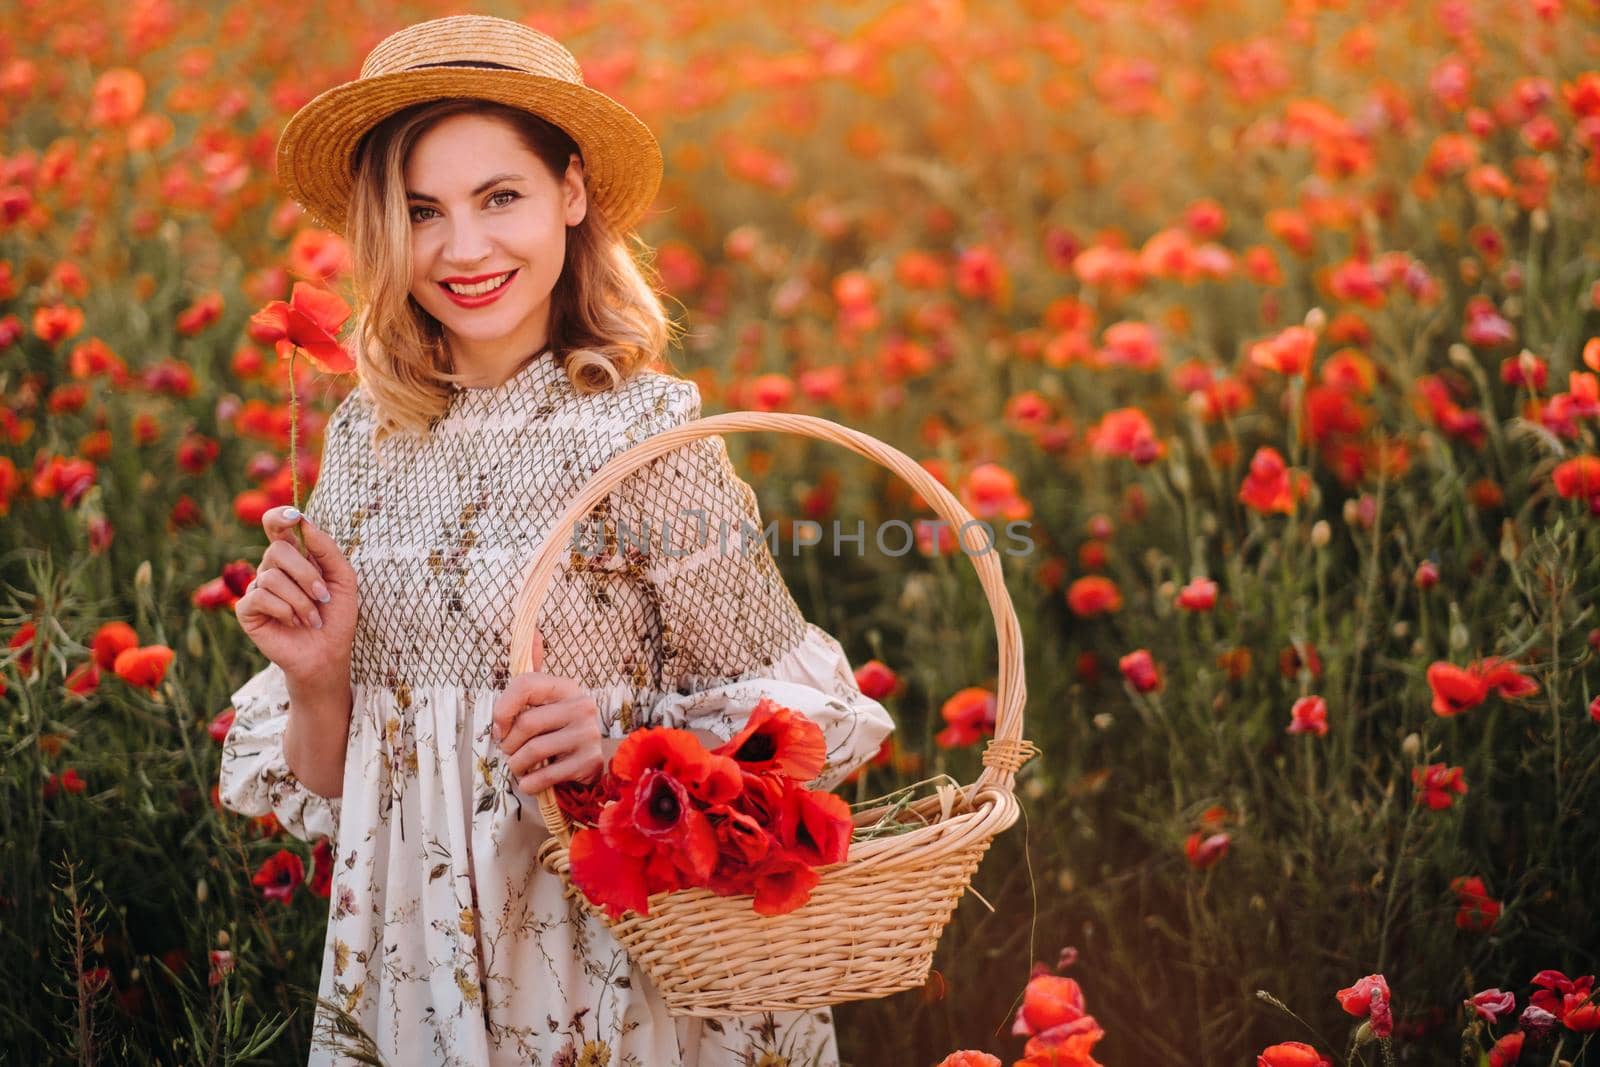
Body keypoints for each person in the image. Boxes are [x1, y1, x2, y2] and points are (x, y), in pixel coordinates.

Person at [218, 14, 894, 1067]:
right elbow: (339, 791)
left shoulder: (645, 434)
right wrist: (316, 681)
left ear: (570, 194)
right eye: (420, 211)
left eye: (501, 197)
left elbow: (804, 734)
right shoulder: (364, 437)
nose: (463, 248)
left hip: (607, 965)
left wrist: (617, 758)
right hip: (415, 965)